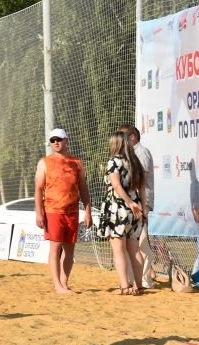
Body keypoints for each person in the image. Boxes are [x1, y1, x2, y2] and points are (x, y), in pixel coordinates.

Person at [33, 127, 91, 294]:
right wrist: (38, 213)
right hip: (53, 209)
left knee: (70, 249)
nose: (56, 142)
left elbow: (83, 188)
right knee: (55, 247)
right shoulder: (44, 162)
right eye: (53, 140)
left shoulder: (76, 162)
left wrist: (87, 210)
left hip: (72, 211)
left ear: (67, 140)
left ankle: (64, 284)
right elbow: (38, 189)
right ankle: (57, 285)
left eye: (59, 139)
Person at [96, 131, 147, 294]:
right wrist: (141, 207)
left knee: (118, 250)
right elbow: (143, 188)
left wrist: (129, 202)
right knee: (135, 250)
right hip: (135, 210)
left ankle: (124, 286)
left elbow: (116, 186)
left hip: (117, 208)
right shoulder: (135, 162)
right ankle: (138, 286)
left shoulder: (114, 162)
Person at [118, 124, 156, 288]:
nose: (121, 139)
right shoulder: (130, 154)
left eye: (123, 135)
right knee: (131, 242)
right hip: (132, 201)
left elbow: (141, 177)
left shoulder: (142, 152)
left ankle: (145, 280)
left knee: (141, 241)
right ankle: (134, 278)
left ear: (133, 136)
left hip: (141, 201)